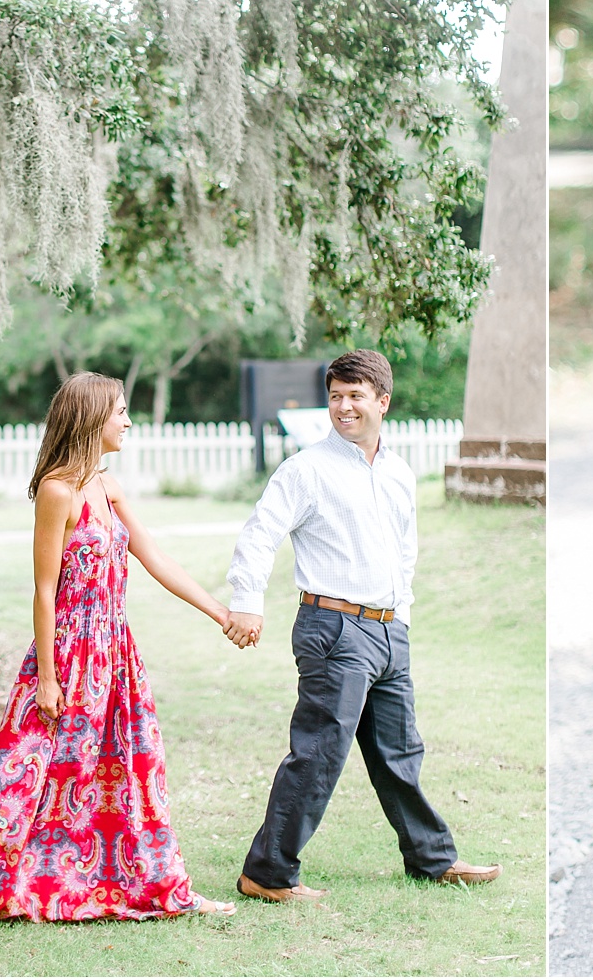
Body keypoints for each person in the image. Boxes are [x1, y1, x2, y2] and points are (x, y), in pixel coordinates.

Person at [0, 373, 241, 926]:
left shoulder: (108, 487)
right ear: (91, 417)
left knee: (129, 771)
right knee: (47, 772)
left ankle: (153, 882)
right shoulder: (58, 491)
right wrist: (49, 679)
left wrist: (221, 614)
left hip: (115, 652)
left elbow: (156, 560)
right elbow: (43, 590)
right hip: (68, 652)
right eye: (121, 412)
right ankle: (27, 887)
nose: (128, 422)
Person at [225, 348, 499, 901]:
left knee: (400, 751)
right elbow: (261, 534)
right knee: (321, 752)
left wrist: (401, 615)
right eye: (335, 397)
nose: (344, 407)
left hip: (388, 629)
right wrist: (247, 601)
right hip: (333, 628)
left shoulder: (398, 473)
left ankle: (431, 859)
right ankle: (267, 873)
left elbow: (405, 550)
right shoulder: (306, 470)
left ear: (383, 401)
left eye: (355, 396)